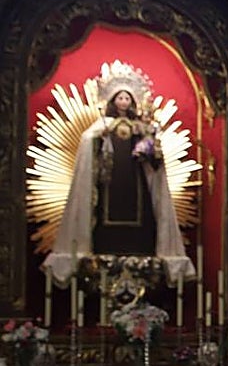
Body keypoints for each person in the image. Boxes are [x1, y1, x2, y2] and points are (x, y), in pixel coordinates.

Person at [43, 60, 194, 287]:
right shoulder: (103, 124)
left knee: (140, 211)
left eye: (127, 98)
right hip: (109, 182)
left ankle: (141, 242)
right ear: (112, 101)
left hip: (136, 184)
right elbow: (87, 141)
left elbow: (154, 157)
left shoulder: (140, 126)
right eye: (120, 98)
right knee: (105, 211)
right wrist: (98, 137)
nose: (123, 102)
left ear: (133, 101)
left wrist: (149, 147)